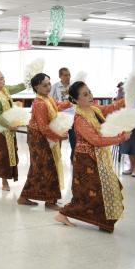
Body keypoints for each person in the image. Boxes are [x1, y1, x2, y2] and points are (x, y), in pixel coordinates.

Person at [55, 81, 129, 233]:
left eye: (89, 92)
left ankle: (102, 222)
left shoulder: (93, 109)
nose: (90, 96)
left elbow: (110, 107)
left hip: (97, 156)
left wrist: (129, 98)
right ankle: (65, 213)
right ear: (76, 100)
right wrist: (121, 138)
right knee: (91, 193)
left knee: (105, 189)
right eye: (85, 94)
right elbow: (96, 140)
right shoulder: (80, 119)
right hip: (86, 159)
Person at [18, 73, 72, 209]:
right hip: (38, 139)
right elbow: (43, 127)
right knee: (48, 167)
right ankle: (50, 201)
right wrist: (58, 136)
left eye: (49, 84)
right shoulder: (40, 103)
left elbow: (57, 107)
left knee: (38, 168)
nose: (48, 87)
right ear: (37, 87)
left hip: (43, 137)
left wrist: (70, 101)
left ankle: (24, 197)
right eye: (44, 85)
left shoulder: (47, 98)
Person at [51, 67, 76, 161]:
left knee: (74, 137)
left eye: (69, 75)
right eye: (65, 75)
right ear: (60, 76)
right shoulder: (55, 86)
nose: (68, 77)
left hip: (73, 115)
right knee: (59, 137)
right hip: (60, 116)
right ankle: (58, 157)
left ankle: (73, 156)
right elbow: (51, 100)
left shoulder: (73, 86)